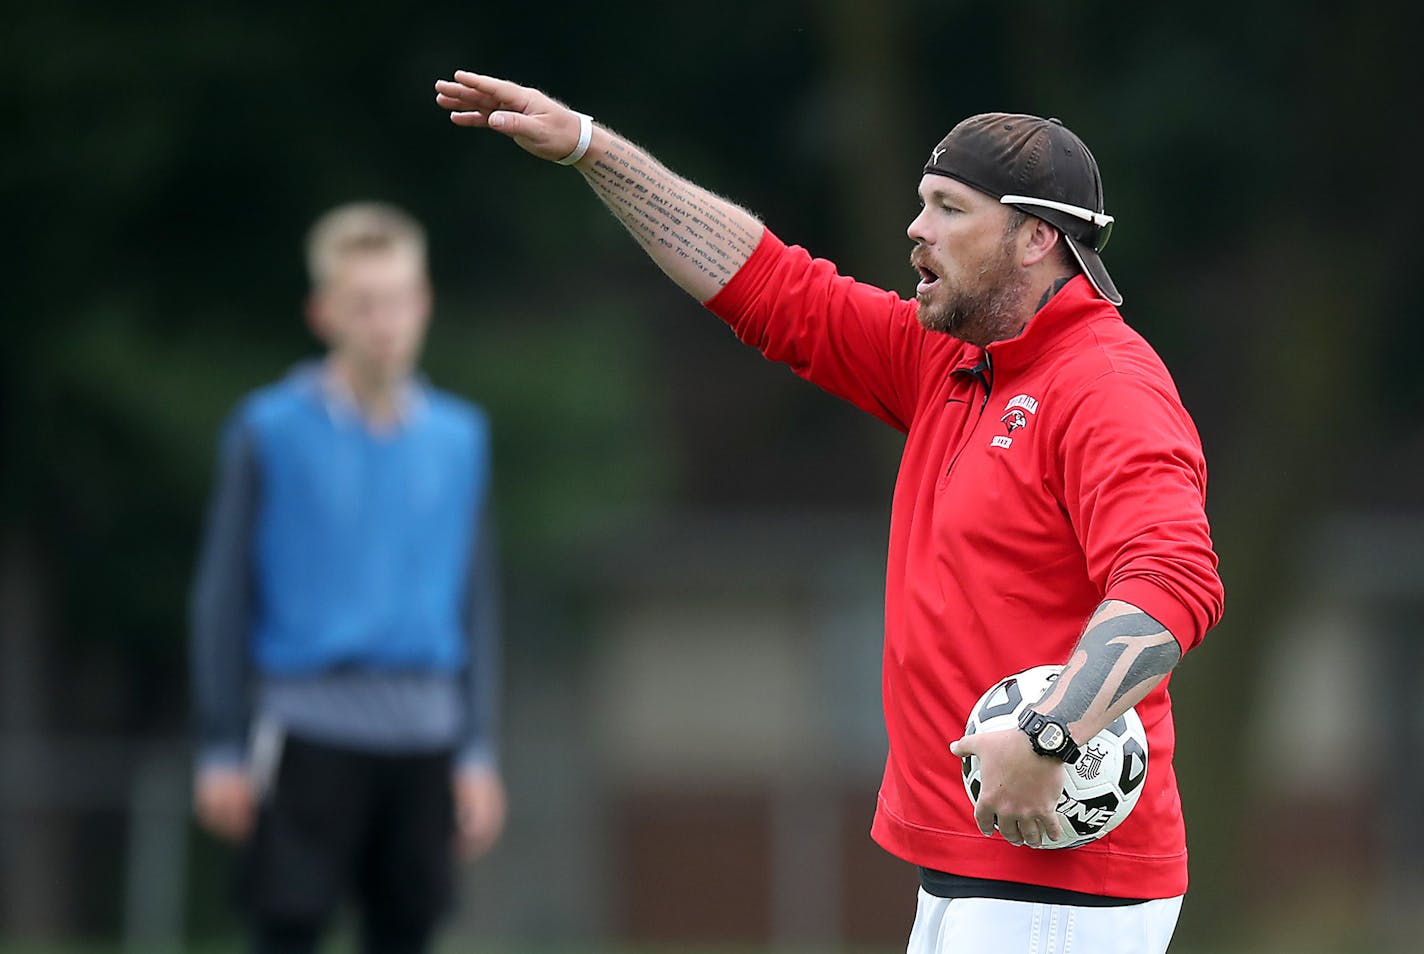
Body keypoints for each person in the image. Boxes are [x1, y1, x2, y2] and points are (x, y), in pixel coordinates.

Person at [434, 72, 1224, 953]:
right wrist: (590, 145)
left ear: (1037, 236)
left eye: (950, 208)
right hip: (978, 873)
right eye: (922, 204)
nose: (917, 229)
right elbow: (771, 288)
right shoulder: (954, 365)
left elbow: (1173, 582)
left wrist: (1047, 734)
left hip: (1061, 885)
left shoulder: (1106, 386)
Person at [189, 201, 506, 954]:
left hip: (426, 738)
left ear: (423, 302)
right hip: (305, 734)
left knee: (407, 935)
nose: (384, 322)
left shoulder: (461, 439)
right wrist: (223, 743)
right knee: (287, 930)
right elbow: (222, 594)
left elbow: (476, 601)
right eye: (363, 304)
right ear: (323, 311)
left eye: (398, 300)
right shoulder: (267, 430)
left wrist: (478, 747)